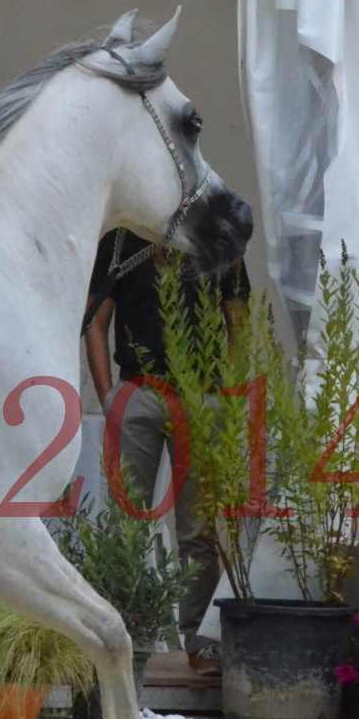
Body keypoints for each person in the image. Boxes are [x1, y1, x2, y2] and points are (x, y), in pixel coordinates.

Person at [83, 229, 251, 676]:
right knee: (126, 525)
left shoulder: (220, 239)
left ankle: (201, 641)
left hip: (203, 396)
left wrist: (227, 397)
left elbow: (238, 320)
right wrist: (110, 398)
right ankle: (121, 640)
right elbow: (96, 323)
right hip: (138, 391)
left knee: (198, 530)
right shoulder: (121, 241)